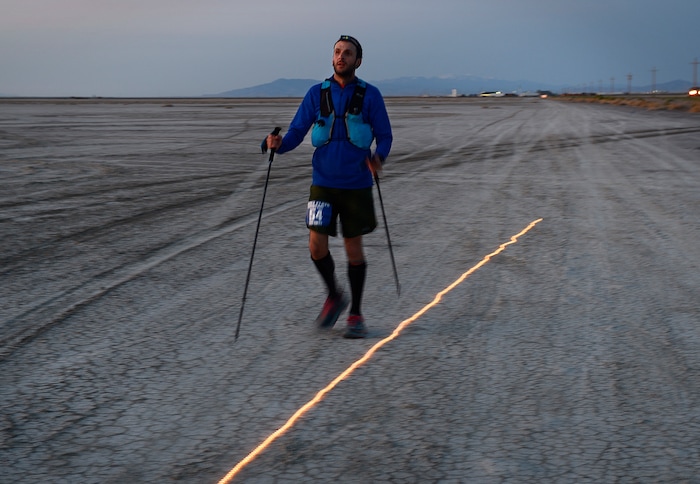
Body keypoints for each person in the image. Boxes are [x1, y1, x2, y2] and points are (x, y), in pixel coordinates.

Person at [265, 35, 393, 338]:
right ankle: (334, 295)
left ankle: (356, 314)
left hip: (357, 185)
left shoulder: (370, 95)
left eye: (348, 53)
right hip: (322, 183)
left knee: (353, 249)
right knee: (316, 245)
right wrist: (277, 144)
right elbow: (296, 131)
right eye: (337, 52)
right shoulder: (316, 94)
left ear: (357, 61)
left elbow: (385, 136)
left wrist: (379, 158)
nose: (341, 57)